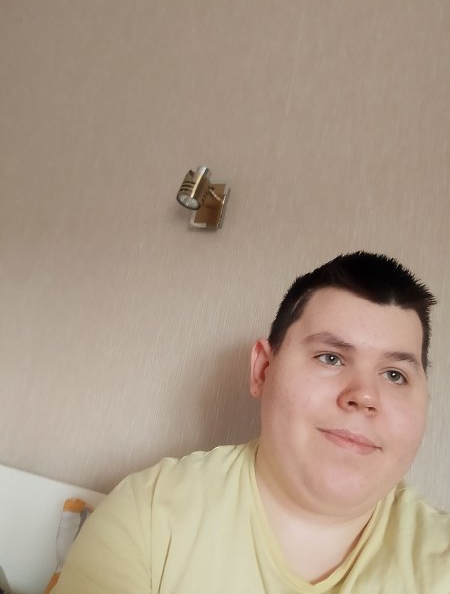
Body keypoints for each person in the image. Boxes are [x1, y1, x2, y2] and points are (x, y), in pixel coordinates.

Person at [55, 252, 450, 593]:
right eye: (330, 357)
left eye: (395, 375)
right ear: (263, 369)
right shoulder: (149, 515)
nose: (364, 395)